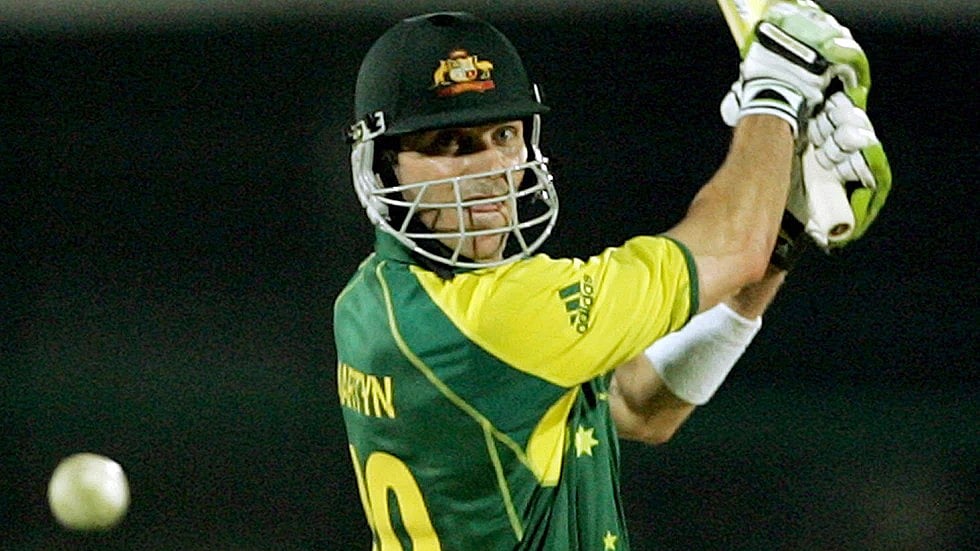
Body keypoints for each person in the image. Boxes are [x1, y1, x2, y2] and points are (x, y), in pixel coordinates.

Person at [334, 6, 889, 550]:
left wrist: (782, 221)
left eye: (503, 135)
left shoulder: (366, 302)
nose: (489, 170)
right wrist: (778, 88)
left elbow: (637, 406)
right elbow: (732, 244)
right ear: (381, 165)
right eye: (449, 145)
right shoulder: (498, 317)